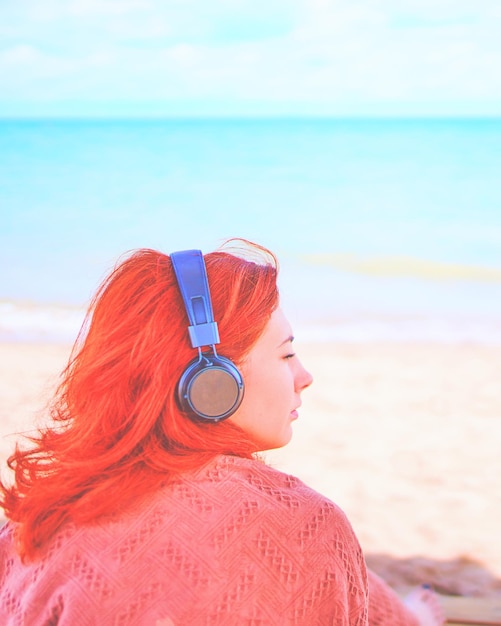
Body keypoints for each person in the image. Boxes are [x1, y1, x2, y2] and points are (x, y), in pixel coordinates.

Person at [0, 240, 444, 625]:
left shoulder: (35, 519)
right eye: (286, 354)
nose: (304, 375)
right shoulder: (303, 523)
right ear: (211, 381)